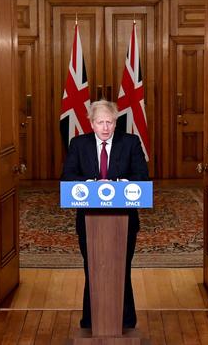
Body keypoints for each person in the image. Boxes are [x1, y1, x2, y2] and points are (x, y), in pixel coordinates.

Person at [61, 100, 149, 329]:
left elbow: (142, 177)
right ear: (91, 124)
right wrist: (92, 184)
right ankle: (91, 320)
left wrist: (118, 184)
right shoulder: (78, 144)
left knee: (122, 268)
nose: (105, 127)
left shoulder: (130, 142)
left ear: (115, 122)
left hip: (124, 221)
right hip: (89, 221)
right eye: (100, 122)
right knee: (93, 268)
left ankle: (126, 320)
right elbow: (68, 177)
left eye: (109, 122)